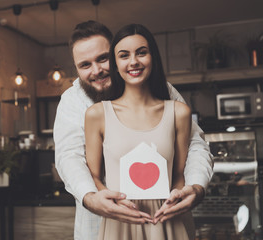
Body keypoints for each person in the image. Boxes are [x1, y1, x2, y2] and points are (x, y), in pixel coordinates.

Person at [53, 20, 213, 240]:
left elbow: (195, 145)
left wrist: (196, 187)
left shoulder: (163, 92)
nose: (97, 70)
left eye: (102, 58)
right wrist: (90, 197)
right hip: (104, 223)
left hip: (166, 220)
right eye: (85, 65)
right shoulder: (73, 102)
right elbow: (68, 157)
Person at [85, 23, 195, 240]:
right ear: (115, 64)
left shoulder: (179, 113)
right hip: (120, 221)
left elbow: (179, 174)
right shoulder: (97, 114)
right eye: (124, 55)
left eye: (141, 53)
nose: (133, 61)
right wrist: (112, 201)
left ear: (153, 58)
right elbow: (94, 175)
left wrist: (175, 198)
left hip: (166, 221)